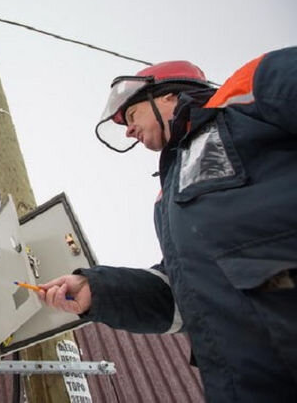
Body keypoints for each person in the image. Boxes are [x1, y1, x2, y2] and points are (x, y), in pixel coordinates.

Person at [38, 47, 297, 402]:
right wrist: (97, 291)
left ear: (169, 93)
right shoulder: (167, 200)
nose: (129, 130)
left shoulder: (247, 91)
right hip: (252, 382)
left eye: (132, 113)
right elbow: (182, 294)